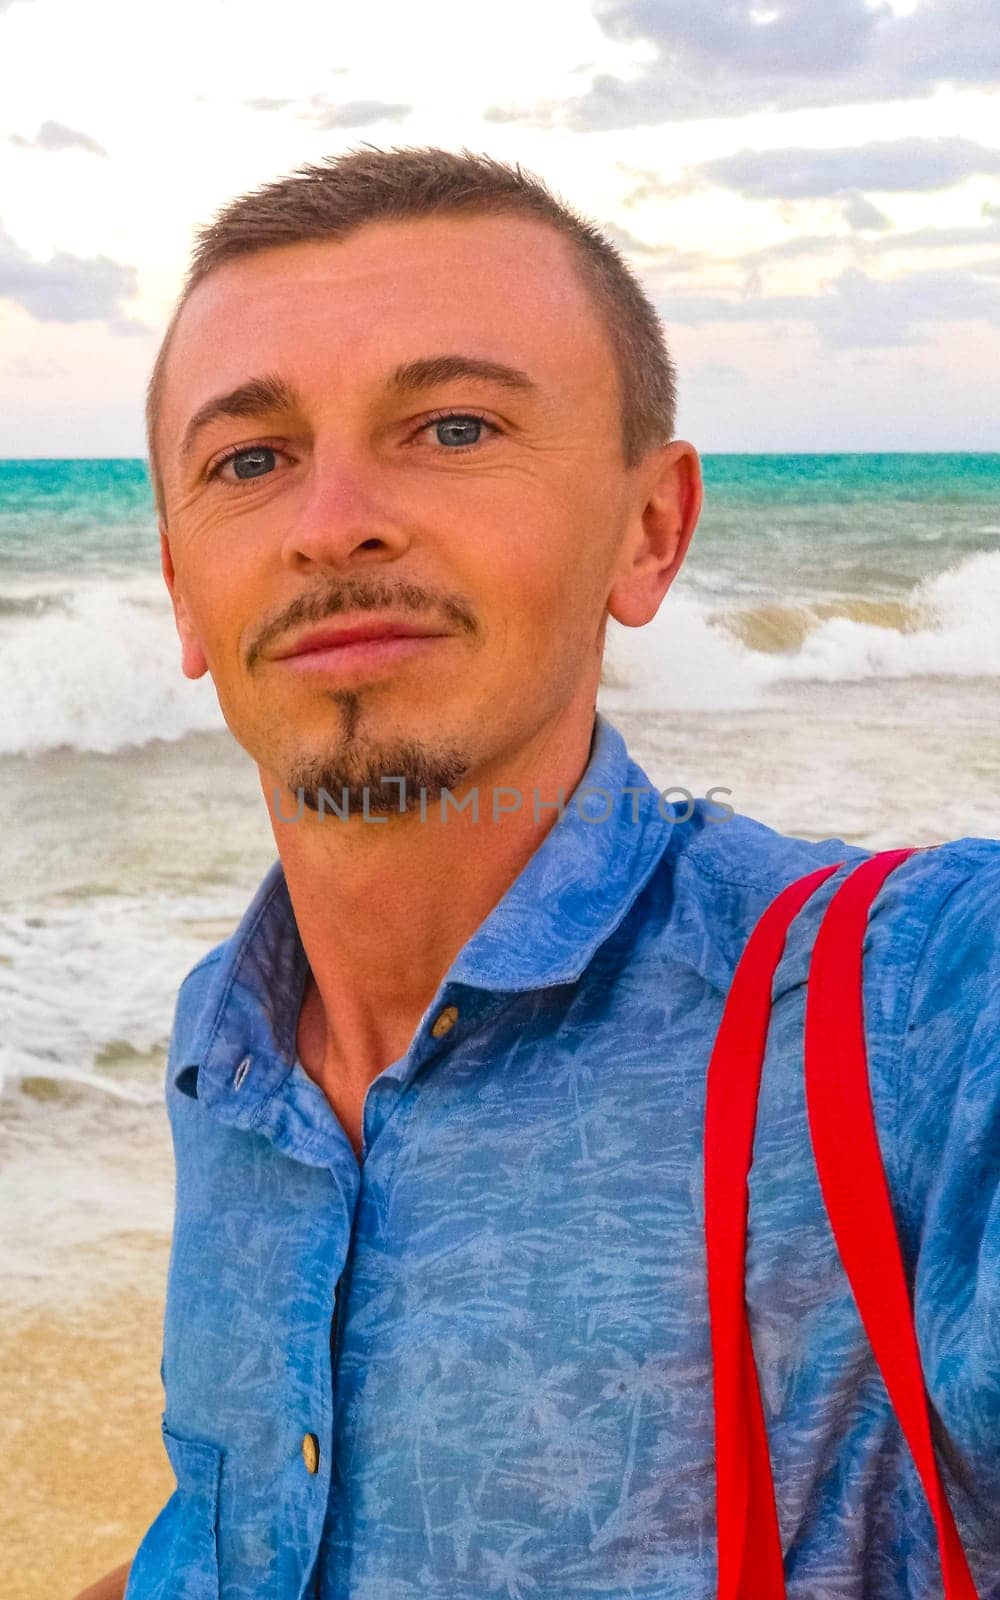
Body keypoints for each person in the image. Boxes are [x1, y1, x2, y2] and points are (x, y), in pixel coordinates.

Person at [73, 145, 1000, 1600]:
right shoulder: (224, 1046)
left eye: (450, 427)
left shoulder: (908, 1011)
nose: (330, 524)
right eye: (250, 460)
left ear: (651, 531)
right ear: (184, 590)